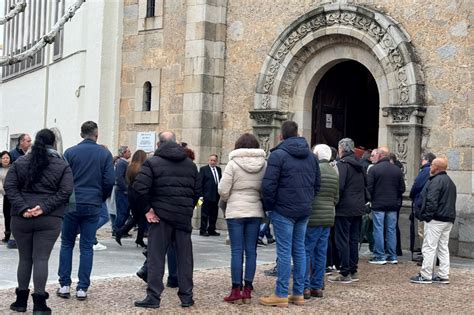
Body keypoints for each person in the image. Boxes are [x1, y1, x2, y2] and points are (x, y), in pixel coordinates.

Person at [5, 129, 74, 314]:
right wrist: (43, 207)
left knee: (24, 258)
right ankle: (39, 304)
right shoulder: (61, 165)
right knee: (41, 258)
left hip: (21, 217)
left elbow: (9, 186)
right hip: (49, 218)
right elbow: (66, 191)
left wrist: (23, 208)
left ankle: (20, 301)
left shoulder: (20, 162)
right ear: (54, 143)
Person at [132, 131, 200, 309]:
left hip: (160, 217)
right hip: (182, 217)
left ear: (158, 144)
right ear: (176, 143)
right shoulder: (190, 165)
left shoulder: (152, 163)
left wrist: (148, 210)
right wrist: (187, 209)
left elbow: (139, 188)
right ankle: (187, 296)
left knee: (156, 258)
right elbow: (197, 193)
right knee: (185, 259)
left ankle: (154, 296)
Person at [259, 121, 320, 307]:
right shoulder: (311, 156)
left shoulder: (278, 155)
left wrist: (270, 207)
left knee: (284, 252)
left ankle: (281, 293)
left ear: (281, 136)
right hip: (303, 209)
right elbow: (317, 185)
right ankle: (299, 293)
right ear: (298, 134)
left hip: (283, 209)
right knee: (300, 250)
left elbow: (268, 186)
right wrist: (307, 200)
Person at [57, 121, 115, 300]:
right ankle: (82, 287)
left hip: (72, 202)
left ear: (81, 134)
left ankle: (65, 284)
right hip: (93, 202)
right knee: (87, 246)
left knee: (67, 243)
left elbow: (62, 178)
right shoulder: (104, 153)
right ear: (96, 135)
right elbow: (109, 181)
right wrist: (100, 197)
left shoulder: (70, 152)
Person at [218, 133, 267, 304]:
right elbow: (265, 188)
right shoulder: (263, 164)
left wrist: (231, 197)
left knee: (236, 251)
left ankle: (235, 289)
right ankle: (248, 289)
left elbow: (223, 189)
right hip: (255, 210)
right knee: (251, 251)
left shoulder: (233, 163)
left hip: (236, 210)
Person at [410, 157, 456, 284]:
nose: (430, 167)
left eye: (432, 165)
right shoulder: (449, 181)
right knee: (442, 247)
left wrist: (427, 216)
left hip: (436, 219)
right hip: (447, 218)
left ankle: (425, 275)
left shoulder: (436, 181)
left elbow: (431, 201)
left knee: (429, 247)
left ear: (436, 167)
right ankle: (443, 274)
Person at [328, 138, 366, 283]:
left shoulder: (342, 165)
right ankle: (353, 268)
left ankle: (344, 272)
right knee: (353, 240)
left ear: (341, 149)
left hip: (344, 208)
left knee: (342, 240)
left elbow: (339, 186)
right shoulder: (359, 165)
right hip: (357, 207)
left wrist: (335, 202)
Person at [304, 144, 339, 298]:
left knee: (306, 251)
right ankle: (317, 286)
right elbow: (336, 197)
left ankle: (305, 285)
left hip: (314, 215)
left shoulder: (314, 169)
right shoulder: (333, 171)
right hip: (328, 216)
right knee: (321, 252)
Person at [367, 147, 405, 265]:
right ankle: (392, 255)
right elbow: (402, 188)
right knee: (391, 230)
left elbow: (369, 188)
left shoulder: (374, 170)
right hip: (392, 204)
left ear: (381, 155)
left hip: (378, 203)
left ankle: (379, 255)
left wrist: (371, 199)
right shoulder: (397, 170)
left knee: (378, 229)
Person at [115, 149, 148, 248]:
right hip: (139, 194)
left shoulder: (130, 167)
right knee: (141, 217)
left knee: (137, 217)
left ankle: (136, 238)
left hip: (131, 193)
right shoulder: (142, 168)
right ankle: (122, 232)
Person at [409, 152, 436, 263]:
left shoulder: (425, 170)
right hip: (424, 203)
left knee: (423, 231)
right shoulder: (430, 171)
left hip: (421, 204)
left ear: (426, 160)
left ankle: (426, 256)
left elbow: (417, 185)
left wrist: (411, 195)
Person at [7, 133, 32, 249]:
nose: (30, 143)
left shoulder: (31, 154)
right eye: (28, 141)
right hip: (16, 190)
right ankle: (12, 239)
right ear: (21, 142)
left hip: (27, 190)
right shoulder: (13, 155)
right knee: (16, 214)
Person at [199, 154, 222, 236]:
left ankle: (212, 229)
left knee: (214, 214)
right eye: (211, 160)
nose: (212, 162)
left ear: (216, 161)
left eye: (214, 161)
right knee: (205, 214)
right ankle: (203, 230)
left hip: (216, 196)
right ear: (208, 160)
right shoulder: (203, 169)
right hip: (206, 196)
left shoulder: (219, 170)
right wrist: (201, 195)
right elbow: (200, 183)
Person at [114, 146, 132, 233]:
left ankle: (122, 230)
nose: (130, 153)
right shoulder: (121, 163)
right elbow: (120, 177)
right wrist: (125, 189)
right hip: (122, 191)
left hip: (124, 191)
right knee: (122, 212)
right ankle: (117, 230)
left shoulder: (125, 163)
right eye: (128, 151)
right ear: (124, 153)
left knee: (126, 212)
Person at [1, 151, 12, 243]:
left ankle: (13, 236)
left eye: (7, 158)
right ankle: (7, 235)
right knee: (7, 215)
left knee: (13, 216)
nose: (5, 159)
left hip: (14, 195)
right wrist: (5, 193)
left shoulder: (13, 168)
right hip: (5, 195)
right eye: (3, 158)